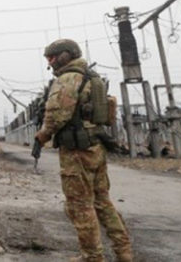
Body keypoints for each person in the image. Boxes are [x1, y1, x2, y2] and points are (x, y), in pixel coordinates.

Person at [34, 39, 133, 262]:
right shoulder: (91, 77)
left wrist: (43, 135)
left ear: (65, 56)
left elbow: (57, 115)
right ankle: (123, 250)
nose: (50, 63)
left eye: (52, 58)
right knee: (102, 201)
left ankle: (92, 257)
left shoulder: (68, 78)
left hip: (77, 151)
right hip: (95, 147)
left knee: (79, 205)